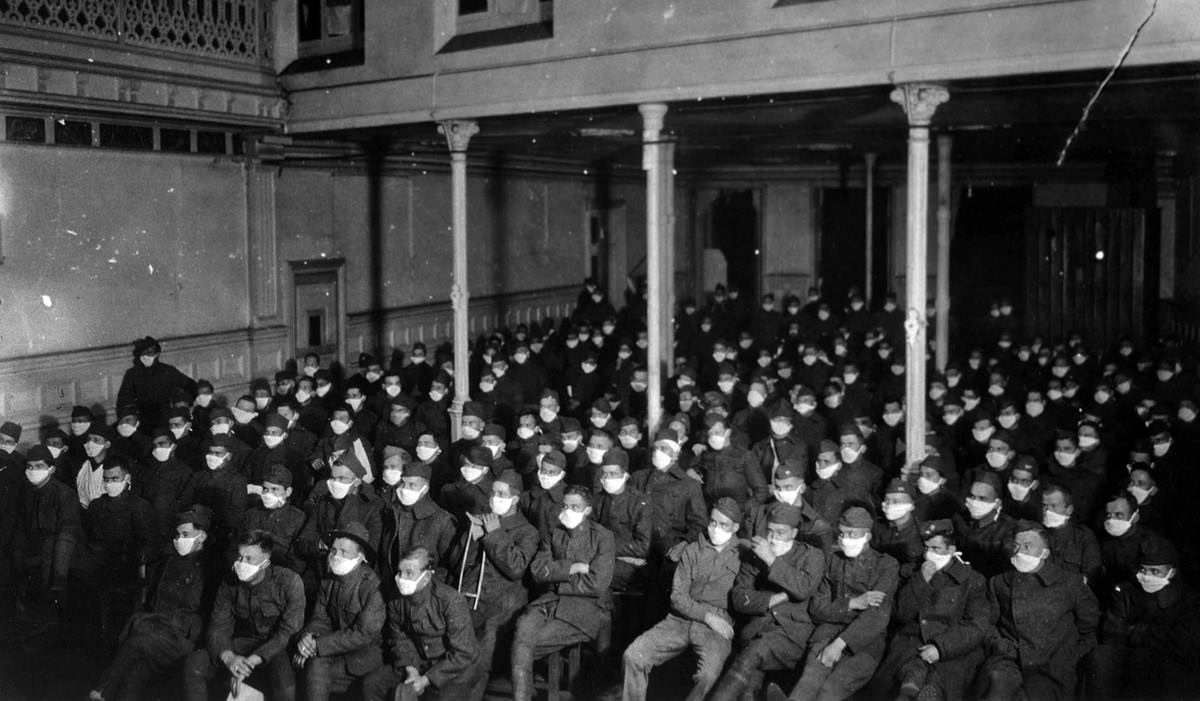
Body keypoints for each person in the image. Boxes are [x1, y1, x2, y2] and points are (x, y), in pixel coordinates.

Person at [90, 506, 218, 701]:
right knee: (136, 671)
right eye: (177, 535)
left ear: (202, 537)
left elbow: (204, 614)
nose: (178, 540)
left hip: (182, 637)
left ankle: (101, 691)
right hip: (157, 630)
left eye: (185, 534)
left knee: (136, 642)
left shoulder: (210, 568)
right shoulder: (170, 562)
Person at [623, 497, 745, 701]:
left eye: (723, 524)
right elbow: (677, 597)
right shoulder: (692, 550)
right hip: (679, 620)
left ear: (736, 527)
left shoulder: (743, 554)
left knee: (708, 675)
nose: (716, 528)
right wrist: (707, 617)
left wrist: (717, 621)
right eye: (713, 522)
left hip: (717, 625)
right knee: (633, 656)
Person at [778, 505, 899, 701]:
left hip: (865, 643)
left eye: (852, 534)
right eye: (841, 534)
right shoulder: (832, 560)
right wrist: (852, 604)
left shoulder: (886, 565)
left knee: (831, 690)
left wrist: (839, 645)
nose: (844, 539)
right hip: (826, 633)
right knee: (807, 684)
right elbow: (817, 608)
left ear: (867, 536)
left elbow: (876, 617)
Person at [710, 502, 826, 701]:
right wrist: (776, 598)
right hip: (757, 631)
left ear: (794, 533)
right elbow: (738, 598)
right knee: (748, 690)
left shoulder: (811, 555)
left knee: (750, 656)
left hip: (791, 636)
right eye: (770, 531)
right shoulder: (755, 554)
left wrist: (771, 560)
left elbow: (803, 589)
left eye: (780, 532)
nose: (772, 538)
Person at [510, 485, 615, 701]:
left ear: (587, 511)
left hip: (586, 609)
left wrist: (557, 578)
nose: (568, 510)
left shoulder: (603, 537)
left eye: (575, 507)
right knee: (522, 634)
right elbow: (537, 571)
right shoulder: (554, 533)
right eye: (565, 505)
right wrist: (573, 568)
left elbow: (597, 584)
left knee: (523, 648)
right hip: (549, 602)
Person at [871, 519, 992, 701]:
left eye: (936, 549)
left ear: (951, 551)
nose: (929, 555)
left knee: (934, 686)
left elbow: (976, 626)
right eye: (926, 548)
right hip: (911, 645)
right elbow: (901, 614)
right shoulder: (910, 572)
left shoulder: (971, 580)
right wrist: (921, 581)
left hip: (951, 651)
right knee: (904, 680)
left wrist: (941, 648)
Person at [978, 521, 1099, 701]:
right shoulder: (998, 583)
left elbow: (1089, 631)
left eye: (1027, 547)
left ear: (1045, 553)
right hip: (1009, 661)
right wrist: (1000, 646)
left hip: (1054, 667)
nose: (1019, 552)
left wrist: (1066, 660)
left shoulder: (1070, 584)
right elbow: (988, 624)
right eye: (1016, 546)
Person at [183, 529, 305, 701]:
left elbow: (288, 632)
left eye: (249, 559)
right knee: (195, 663)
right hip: (239, 644)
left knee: (284, 679)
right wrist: (229, 658)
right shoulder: (229, 582)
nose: (241, 563)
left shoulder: (289, 582)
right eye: (240, 557)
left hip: (274, 648)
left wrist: (252, 661)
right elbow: (218, 627)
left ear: (265, 563)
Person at [451, 469, 540, 701]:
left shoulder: (527, 531)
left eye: (501, 493)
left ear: (516, 498)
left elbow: (516, 568)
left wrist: (492, 535)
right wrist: (470, 536)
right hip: (471, 599)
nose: (494, 498)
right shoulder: (482, 519)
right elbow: (456, 564)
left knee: (479, 659)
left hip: (502, 606)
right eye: (493, 493)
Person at [361, 547, 481, 701]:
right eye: (399, 572)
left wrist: (425, 680)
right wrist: (411, 671)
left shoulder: (450, 600)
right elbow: (399, 640)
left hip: (454, 669)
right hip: (419, 663)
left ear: (426, 577)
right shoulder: (396, 601)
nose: (401, 578)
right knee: (373, 684)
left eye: (409, 573)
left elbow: (464, 654)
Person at [1095, 538, 1200, 700]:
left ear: (1172, 572)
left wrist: (1139, 632)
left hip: (1168, 670)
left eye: (1155, 571)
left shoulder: (1188, 600)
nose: (1146, 576)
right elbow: (1112, 632)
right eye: (1143, 570)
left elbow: (1183, 643)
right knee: (1101, 657)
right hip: (1127, 661)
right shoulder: (1125, 592)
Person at [293, 521, 386, 701]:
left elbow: (364, 634)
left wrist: (318, 645)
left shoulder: (373, 587)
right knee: (314, 665)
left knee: (315, 670)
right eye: (334, 551)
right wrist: (309, 637)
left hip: (365, 653)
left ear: (360, 557)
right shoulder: (329, 580)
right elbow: (320, 618)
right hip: (334, 646)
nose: (336, 556)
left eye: (344, 552)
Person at [15, 445, 81, 605]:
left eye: (39, 466)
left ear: (51, 469)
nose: (33, 471)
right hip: (33, 547)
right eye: (30, 467)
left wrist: (59, 577)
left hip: (60, 550)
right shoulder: (26, 491)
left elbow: (68, 533)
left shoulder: (63, 494)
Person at [378, 460, 458, 588]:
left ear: (425, 488)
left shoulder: (442, 520)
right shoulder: (391, 513)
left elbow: (448, 566)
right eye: (402, 483)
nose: (405, 489)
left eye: (412, 485)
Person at [116, 336, 198, 435]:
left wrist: (183, 404)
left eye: (149, 353)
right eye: (143, 353)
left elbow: (192, 386)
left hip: (165, 418)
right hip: (142, 420)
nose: (145, 356)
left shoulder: (167, 371)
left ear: (157, 354)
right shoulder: (132, 374)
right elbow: (124, 399)